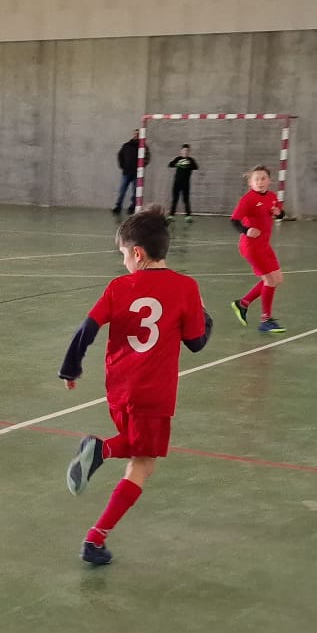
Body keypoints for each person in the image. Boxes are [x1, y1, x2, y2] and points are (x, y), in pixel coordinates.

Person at [58, 206, 212, 566]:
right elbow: (196, 343)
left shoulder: (117, 287)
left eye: (124, 254)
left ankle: (103, 455)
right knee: (144, 463)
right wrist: (205, 317)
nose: (125, 261)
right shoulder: (186, 287)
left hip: (118, 389)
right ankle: (95, 535)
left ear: (137, 254)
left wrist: (71, 368)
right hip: (154, 393)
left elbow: (87, 329)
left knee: (138, 449)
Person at [228, 165, 286, 334]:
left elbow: (280, 214)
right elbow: (234, 221)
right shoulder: (248, 199)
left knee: (277, 278)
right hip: (251, 247)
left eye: (263, 178)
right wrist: (247, 231)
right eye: (256, 179)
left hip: (264, 245)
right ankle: (265, 320)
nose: (260, 182)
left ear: (269, 181)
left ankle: (243, 303)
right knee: (270, 280)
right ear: (250, 182)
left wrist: (279, 213)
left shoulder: (272, 197)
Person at [114, 130, 143, 215]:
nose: (136, 135)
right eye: (135, 134)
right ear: (133, 135)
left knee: (135, 192)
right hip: (126, 172)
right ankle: (118, 206)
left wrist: (141, 167)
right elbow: (120, 155)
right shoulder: (126, 145)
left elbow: (147, 157)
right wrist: (122, 165)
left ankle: (132, 207)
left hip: (137, 173)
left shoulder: (142, 146)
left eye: (138, 134)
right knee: (122, 190)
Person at [167, 144, 199, 219]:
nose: (185, 152)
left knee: (186, 200)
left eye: (187, 151)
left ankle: (188, 216)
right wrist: (178, 164)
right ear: (181, 151)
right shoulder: (178, 159)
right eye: (184, 150)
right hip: (177, 183)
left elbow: (196, 167)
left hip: (186, 184)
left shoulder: (191, 160)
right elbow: (170, 164)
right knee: (175, 199)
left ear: (188, 152)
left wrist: (187, 165)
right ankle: (171, 215)